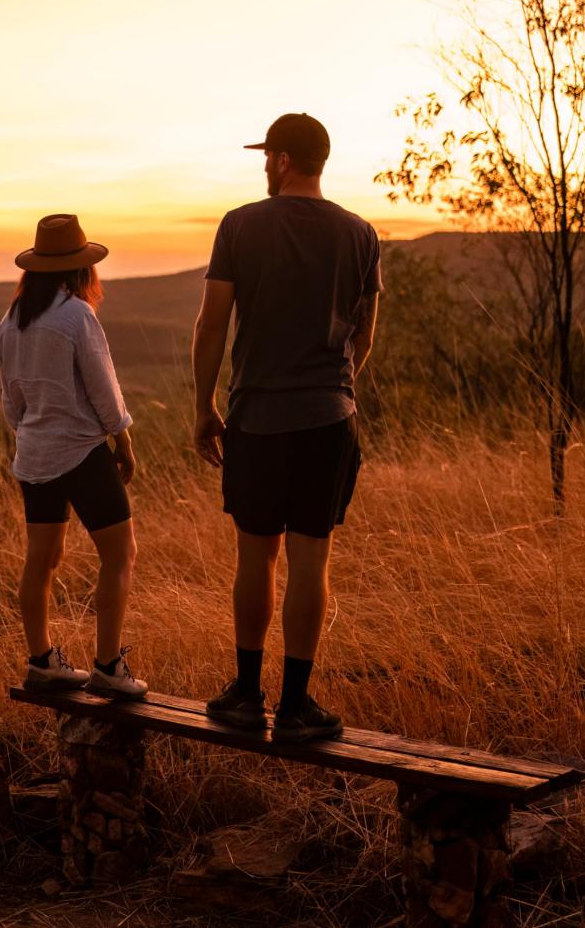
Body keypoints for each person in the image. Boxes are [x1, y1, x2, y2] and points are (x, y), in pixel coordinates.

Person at [192, 113, 381, 742]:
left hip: (258, 420)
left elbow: (212, 324)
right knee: (310, 562)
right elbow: (364, 333)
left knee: (256, 557)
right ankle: (297, 705)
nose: (263, 168)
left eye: (266, 157)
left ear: (281, 160)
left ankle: (247, 695)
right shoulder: (360, 234)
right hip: (329, 422)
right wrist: (335, 387)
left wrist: (204, 406)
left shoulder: (239, 225)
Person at [0, 214, 147, 699]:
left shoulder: (9, 323)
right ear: (80, 270)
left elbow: (11, 403)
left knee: (41, 561)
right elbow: (104, 389)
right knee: (120, 555)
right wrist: (122, 442)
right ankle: (108, 666)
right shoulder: (77, 315)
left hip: (33, 455)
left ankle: (42, 662)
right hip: (81, 451)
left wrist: (32, 432)